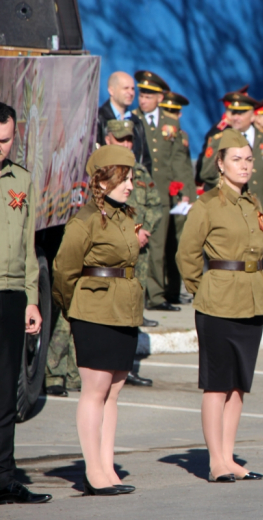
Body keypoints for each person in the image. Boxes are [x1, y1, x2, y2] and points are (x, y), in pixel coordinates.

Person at [176, 129, 263, 483]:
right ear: (220, 164)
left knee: (238, 385)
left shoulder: (252, 203)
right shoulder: (207, 204)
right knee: (216, 384)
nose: (244, 166)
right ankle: (215, 461)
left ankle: (230, 458)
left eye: (248, 159)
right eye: (236, 160)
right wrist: (205, 289)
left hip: (252, 301)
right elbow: (187, 255)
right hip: (216, 304)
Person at [52, 145, 141, 496]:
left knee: (114, 392)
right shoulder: (86, 218)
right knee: (95, 390)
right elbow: (63, 270)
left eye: (132, 178)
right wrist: (76, 308)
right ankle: (93, 471)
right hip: (95, 310)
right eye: (124, 178)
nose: (130, 185)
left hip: (124, 310)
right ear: (101, 181)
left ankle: (107, 466)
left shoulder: (123, 216)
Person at [199, 92, 263, 310]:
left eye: (242, 113)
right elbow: (207, 173)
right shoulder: (220, 139)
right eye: (233, 113)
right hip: (232, 207)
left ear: (253, 115)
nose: (236, 117)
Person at [0, 102, 51, 504]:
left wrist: (32, 300)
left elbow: (29, 247)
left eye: (7, 140)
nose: (1, 148)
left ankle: (4, 478)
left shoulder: (22, 180)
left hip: (12, 295)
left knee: (5, 393)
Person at [104, 119, 162, 387]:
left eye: (129, 140)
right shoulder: (101, 171)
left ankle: (127, 368)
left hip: (138, 253)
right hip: (110, 255)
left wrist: (142, 229)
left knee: (132, 310)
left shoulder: (139, 172)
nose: (126, 144)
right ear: (108, 140)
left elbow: (154, 204)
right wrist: (132, 230)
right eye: (120, 139)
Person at [132, 70, 187, 312]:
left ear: (159, 98)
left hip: (162, 194)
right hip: (135, 193)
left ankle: (155, 295)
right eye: (141, 94)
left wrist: (186, 193)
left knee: (158, 247)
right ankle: (136, 294)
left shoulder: (170, 123)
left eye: (148, 95)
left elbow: (179, 160)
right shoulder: (132, 119)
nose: (143, 100)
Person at [158, 91, 196, 306]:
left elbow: (184, 168)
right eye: (169, 111)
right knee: (160, 246)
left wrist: (190, 195)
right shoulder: (161, 134)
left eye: (176, 112)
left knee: (178, 246)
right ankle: (157, 292)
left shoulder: (182, 135)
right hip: (165, 194)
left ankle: (173, 290)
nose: (174, 116)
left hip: (182, 197)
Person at [96, 71, 150, 170]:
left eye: (133, 89)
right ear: (111, 90)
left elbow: (146, 161)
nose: (131, 93)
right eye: (126, 88)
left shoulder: (137, 122)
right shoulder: (98, 118)